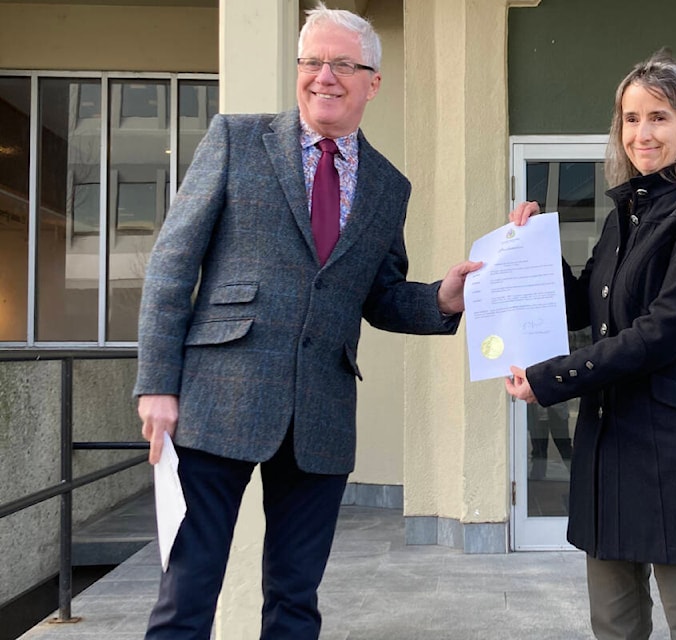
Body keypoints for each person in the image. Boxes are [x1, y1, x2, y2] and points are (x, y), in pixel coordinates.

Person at [134, 3, 481, 638]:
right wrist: (157, 383)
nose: (325, 76)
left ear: (372, 81)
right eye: (313, 61)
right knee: (186, 597)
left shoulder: (387, 185)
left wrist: (443, 300)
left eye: (343, 64)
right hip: (216, 403)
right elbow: (171, 263)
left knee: (295, 601)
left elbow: (378, 296)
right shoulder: (238, 139)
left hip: (321, 412)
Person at [505, 50, 676, 639]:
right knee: (613, 623)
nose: (642, 133)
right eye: (630, 118)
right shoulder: (625, 216)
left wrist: (553, 379)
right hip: (612, 439)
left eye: (659, 117)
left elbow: (661, 331)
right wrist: (533, 250)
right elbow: (585, 308)